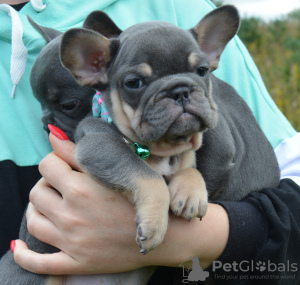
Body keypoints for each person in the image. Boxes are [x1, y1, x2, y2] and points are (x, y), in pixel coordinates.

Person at [0, 0, 299, 284]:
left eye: (199, 71)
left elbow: (291, 187)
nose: (180, 96)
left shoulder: (177, 6)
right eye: (135, 83)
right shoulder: (101, 128)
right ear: (94, 68)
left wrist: (203, 238)